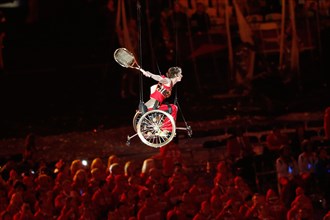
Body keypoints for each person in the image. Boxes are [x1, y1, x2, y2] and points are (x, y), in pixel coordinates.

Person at [140, 66, 183, 133]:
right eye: (180, 74)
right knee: (174, 108)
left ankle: (153, 132)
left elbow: (153, 88)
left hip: (155, 106)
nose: (182, 75)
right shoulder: (168, 81)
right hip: (152, 107)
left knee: (172, 107)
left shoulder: (170, 84)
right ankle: (166, 130)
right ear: (176, 75)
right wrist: (150, 75)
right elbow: (159, 78)